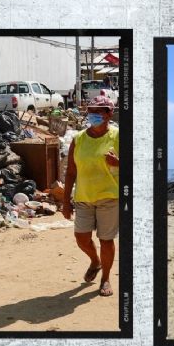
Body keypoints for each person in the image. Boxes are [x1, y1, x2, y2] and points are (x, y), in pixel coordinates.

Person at [62, 95, 119, 297]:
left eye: (99, 111)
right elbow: (70, 172)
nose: (93, 115)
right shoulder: (78, 139)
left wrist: (119, 163)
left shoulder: (118, 136)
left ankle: (105, 279)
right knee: (81, 238)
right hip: (84, 197)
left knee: (106, 239)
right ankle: (95, 261)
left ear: (109, 114)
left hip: (110, 196)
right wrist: (65, 201)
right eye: (91, 111)